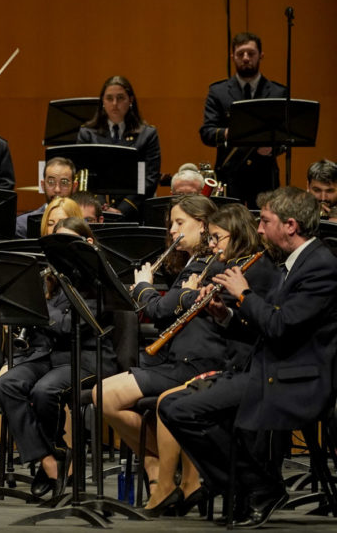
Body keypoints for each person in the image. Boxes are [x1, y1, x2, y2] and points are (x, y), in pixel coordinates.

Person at [159, 187, 337, 527]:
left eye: (265, 221)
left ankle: (256, 488)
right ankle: (249, 488)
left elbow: (280, 325)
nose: (257, 229)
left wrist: (243, 294)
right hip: (268, 368)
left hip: (296, 379)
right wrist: (224, 316)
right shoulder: (294, 262)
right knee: (172, 406)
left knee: (183, 410)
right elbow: (265, 327)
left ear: (290, 225)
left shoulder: (321, 266)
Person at [141, 204, 275, 516]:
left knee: (175, 405)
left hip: (252, 370)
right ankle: (230, 482)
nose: (211, 246)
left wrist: (228, 297)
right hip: (236, 365)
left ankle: (245, 484)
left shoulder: (254, 269)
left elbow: (266, 325)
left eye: (216, 238)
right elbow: (240, 324)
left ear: (236, 234)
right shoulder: (232, 267)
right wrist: (222, 313)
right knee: (172, 406)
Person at [92, 196, 221, 497]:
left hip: (192, 362)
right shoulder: (190, 265)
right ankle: (159, 466)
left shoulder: (204, 265)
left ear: (203, 226)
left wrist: (143, 287)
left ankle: (164, 469)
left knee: (104, 396)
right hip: (174, 358)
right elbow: (170, 311)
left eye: (180, 223)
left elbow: (162, 311)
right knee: (103, 397)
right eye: (171, 224)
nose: (173, 231)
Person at [0, 217, 117, 497]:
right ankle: (49, 458)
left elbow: (71, 324)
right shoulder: (49, 276)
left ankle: (51, 460)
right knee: (7, 384)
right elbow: (49, 320)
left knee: (45, 390)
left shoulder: (100, 279)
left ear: (87, 244)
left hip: (86, 358)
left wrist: (38, 311)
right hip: (48, 354)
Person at [199, 33, 287, 208]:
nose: (246, 58)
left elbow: (287, 137)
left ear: (261, 55)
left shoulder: (278, 92)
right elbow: (206, 132)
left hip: (265, 177)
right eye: (240, 54)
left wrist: (272, 148)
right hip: (230, 176)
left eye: (251, 53)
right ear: (232, 57)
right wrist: (228, 133)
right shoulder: (218, 92)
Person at [76, 76, 161, 220]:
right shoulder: (87, 134)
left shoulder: (147, 134)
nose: (115, 104)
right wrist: (101, 206)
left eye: (120, 98)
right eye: (109, 98)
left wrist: (123, 209)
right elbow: (84, 175)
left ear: (131, 100)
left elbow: (149, 179)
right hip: (95, 213)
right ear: (102, 101)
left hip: (134, 212)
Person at [15, 157, 77, 238]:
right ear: (43, 185)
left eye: (64, 182)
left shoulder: (85, 222)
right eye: (51, 182)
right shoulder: (23, 225)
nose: (57, 190)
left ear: (74, 186)